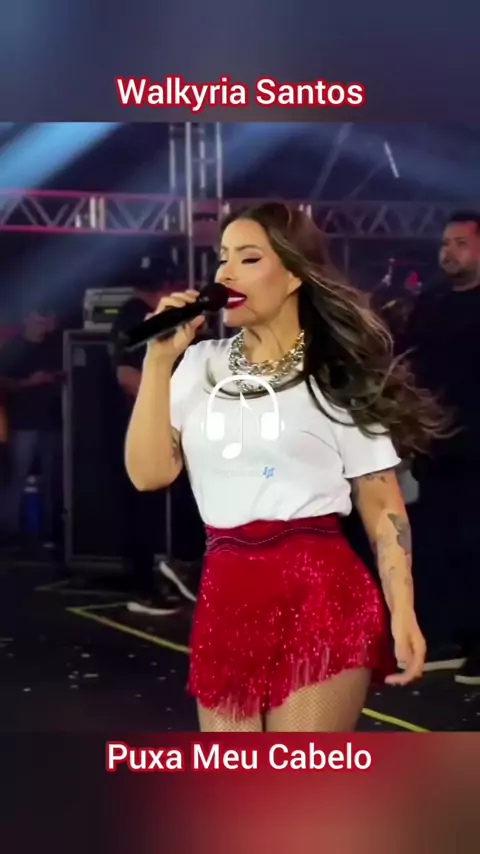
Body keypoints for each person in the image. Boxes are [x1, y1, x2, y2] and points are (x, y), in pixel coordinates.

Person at [125, 202, 445, 733]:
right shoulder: (198, 366)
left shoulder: (334, 372)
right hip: (227, 592)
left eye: (249, 258)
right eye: (222, 258)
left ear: (295, 273)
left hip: (319, 593)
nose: (226, 273)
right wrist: (159, 362)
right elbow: (148, 474)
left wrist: (404, 610)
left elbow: (381, 500)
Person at [406, 211, 480, 685]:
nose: (448, 252)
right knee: (436, 542)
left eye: (460, 243)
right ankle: (447, 637)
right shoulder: (430, 302)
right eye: (445, 243)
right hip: (436, 445)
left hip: (477, 449)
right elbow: (408, 365)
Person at [112, 271, 202, 614]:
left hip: (167, 427)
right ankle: (146, 587)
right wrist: (164, 402)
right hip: (145, 427)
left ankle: (174, 571)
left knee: (174, 501)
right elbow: (127, 374)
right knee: (145, 508)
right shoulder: (137, 315)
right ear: (165, 287)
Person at [0, 309, 64, 550]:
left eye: (45, 318)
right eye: (39, 318)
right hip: (23, 423)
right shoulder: (13, 347)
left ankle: (51, 532)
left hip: (52, 421)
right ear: (27, 319)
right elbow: (3, 380)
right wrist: (29, 382)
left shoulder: (54, 346)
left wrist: (57, 378)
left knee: (54, 479)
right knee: (16, 478)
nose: (43, 323)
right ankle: (10, 533)